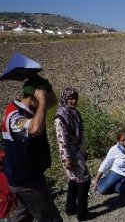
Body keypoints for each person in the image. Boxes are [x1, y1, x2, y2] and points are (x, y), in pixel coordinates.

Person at [1, 75, 63, 222]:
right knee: (51, 219)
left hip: (22, 177)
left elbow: (54, 102)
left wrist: (44, 82)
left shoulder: (31, 110)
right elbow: (35, 129)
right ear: (33, 97)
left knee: (23, 216)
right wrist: (41, 101)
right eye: (43, 98)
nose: (46, 101)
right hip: (27, 181)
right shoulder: (14, 116)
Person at [54, 87, 92, 221]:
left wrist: (84, 150)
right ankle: (82, 213)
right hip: (70, 155)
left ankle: (70, 208)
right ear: (65, 99)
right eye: (70, 98)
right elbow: (61, 140)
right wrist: (67, 158)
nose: (74, 101)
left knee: (74, 180)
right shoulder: (61, 117)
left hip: (78, 152)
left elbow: (80, 135)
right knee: (85, 180)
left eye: (75, 98)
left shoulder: (74, 113)